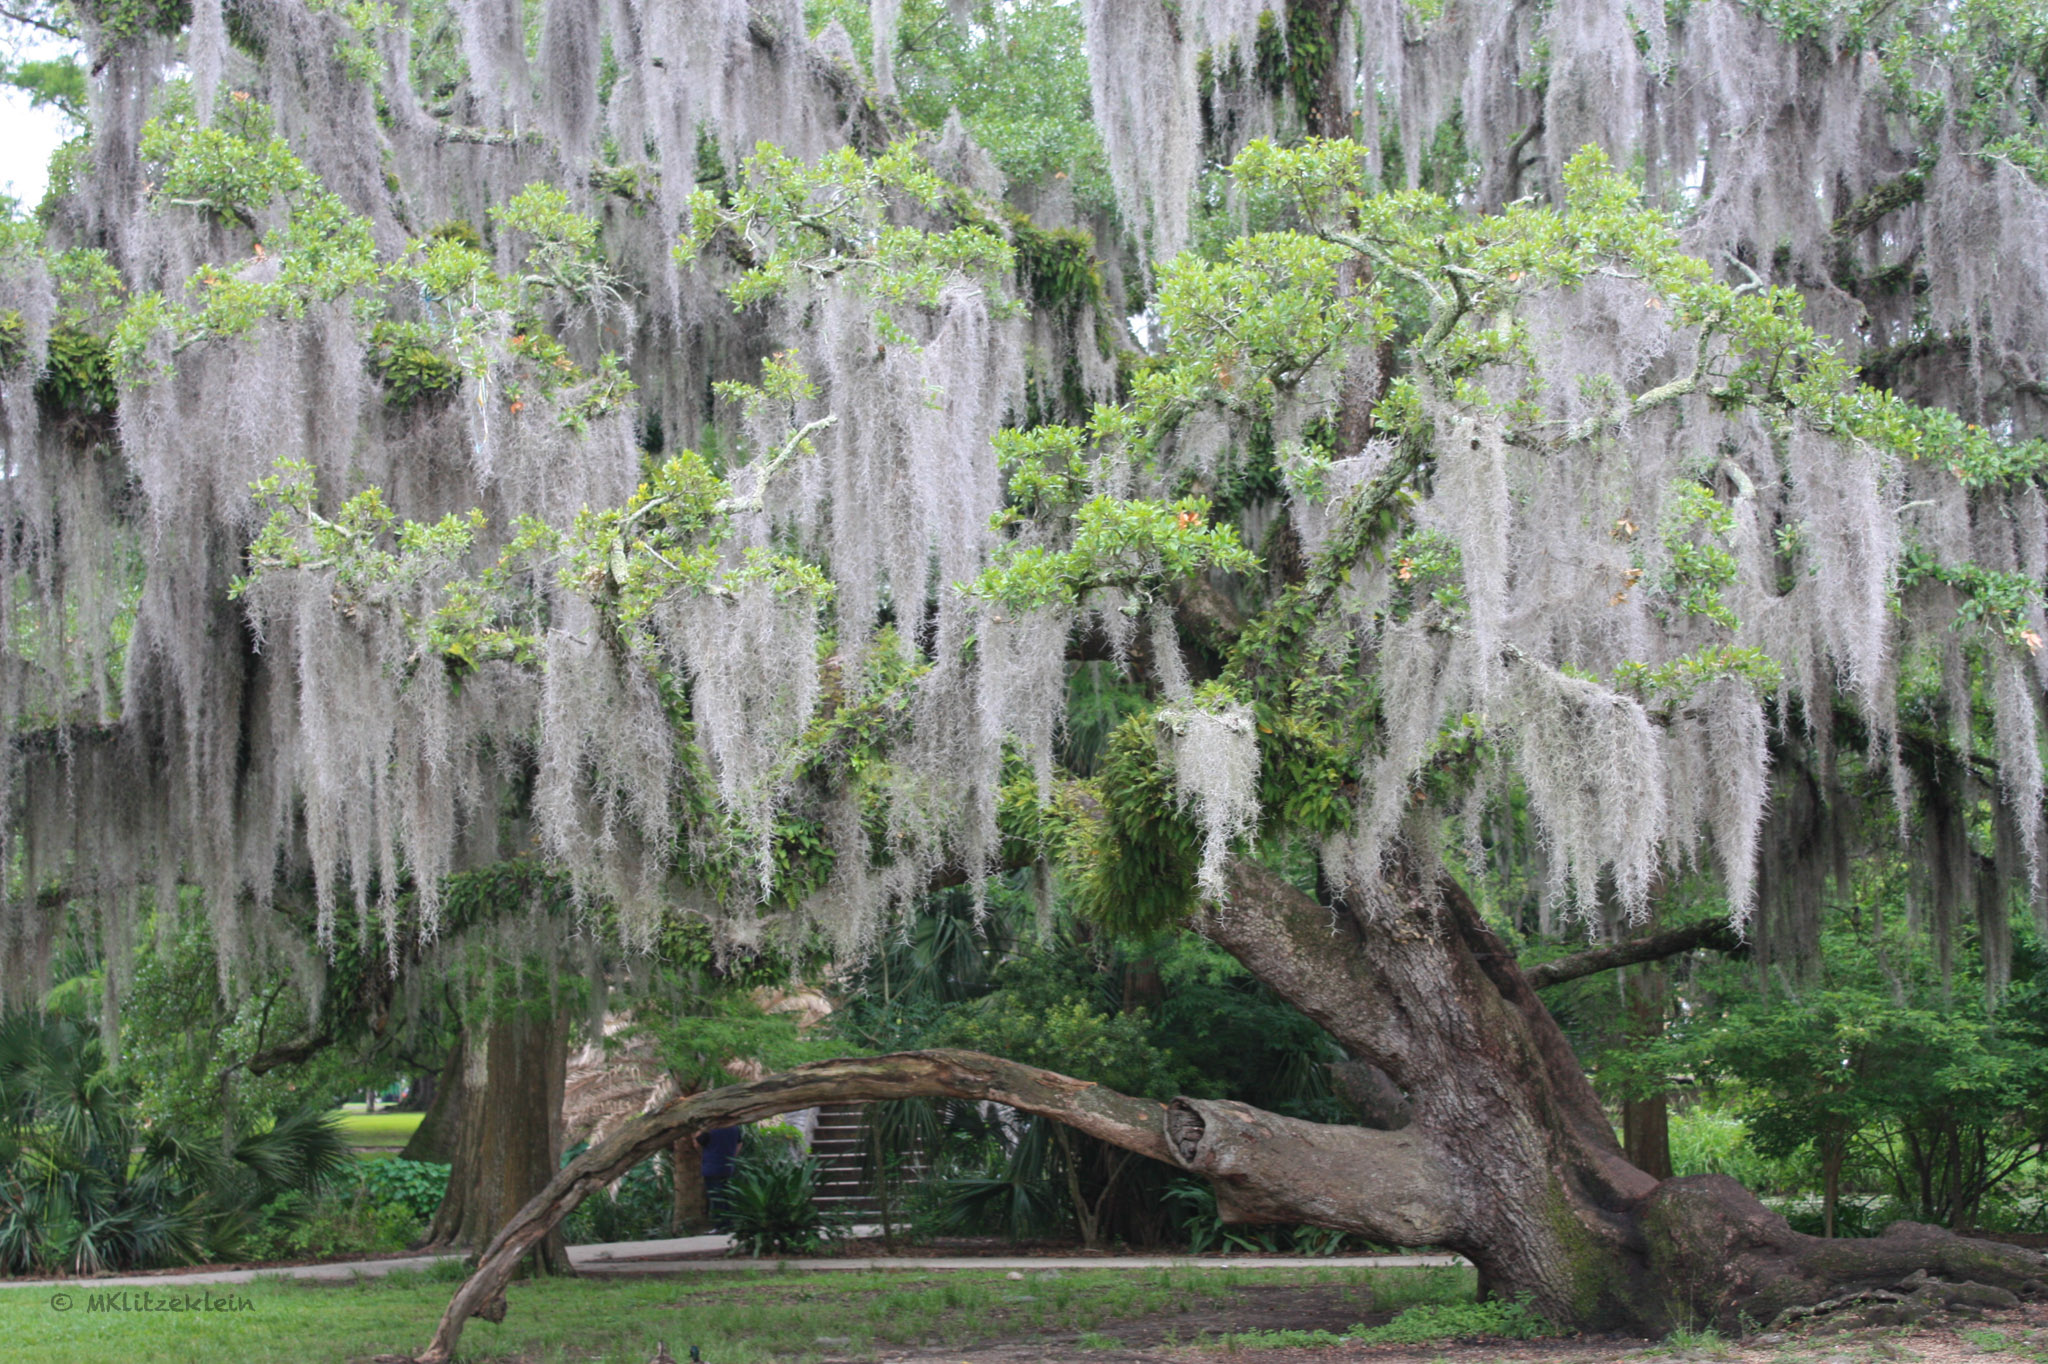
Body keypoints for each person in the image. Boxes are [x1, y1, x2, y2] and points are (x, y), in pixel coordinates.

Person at [700, 1125, 742, 1230]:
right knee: (726, 1196)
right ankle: (728, 1224)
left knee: (716, 1198)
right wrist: (732, 1157)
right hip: (727, 1166)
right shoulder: (735, 1128)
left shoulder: (710, 1128)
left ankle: (720, 1226)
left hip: (711, 1167)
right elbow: (739, 1143)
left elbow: (698, 1143)